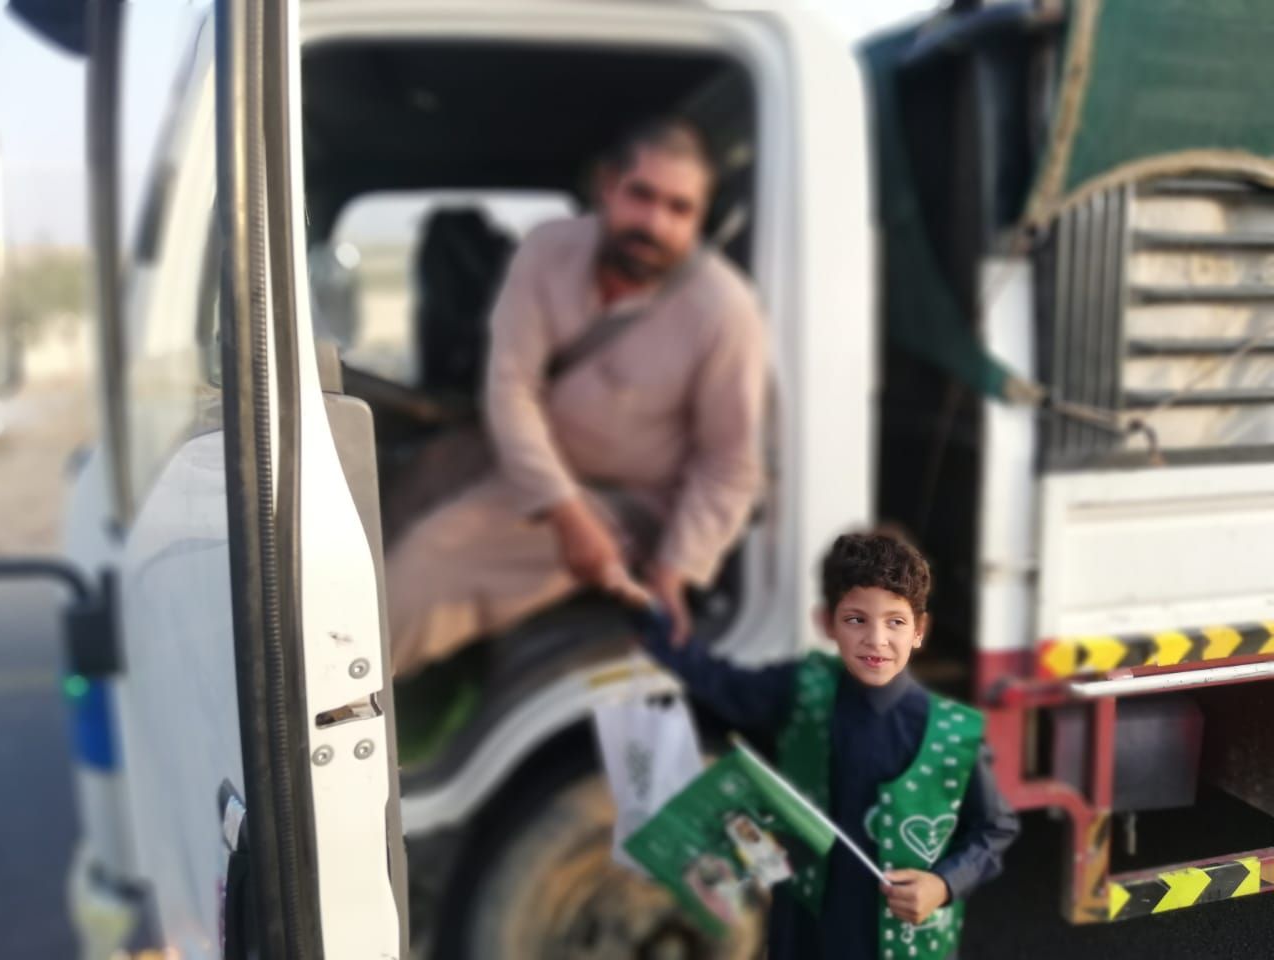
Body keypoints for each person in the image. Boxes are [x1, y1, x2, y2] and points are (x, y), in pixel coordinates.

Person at [387, 117, 767, 676]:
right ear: (608, 187)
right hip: (536, 460)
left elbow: (729, 464)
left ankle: (339, 705)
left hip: (631, 500)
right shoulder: (548, 251)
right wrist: (566, 512)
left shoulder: (725, 310)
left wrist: (674, 571)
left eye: (679, 209)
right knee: (406, 487)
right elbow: (512, 387)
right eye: (641, 196)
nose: (655, 223)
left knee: (427, 563)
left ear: (698, 218)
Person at [638, 529, 1020, 960]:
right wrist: (646, 615)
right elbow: (722, 684)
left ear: (919, 630)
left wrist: (944, 884)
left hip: (902, 946)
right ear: (826, 623)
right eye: (856, 619)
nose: (876, 639)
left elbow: (994, 828)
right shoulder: (803, 689)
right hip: (805, 934)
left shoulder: (954, 733)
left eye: (895, 622)